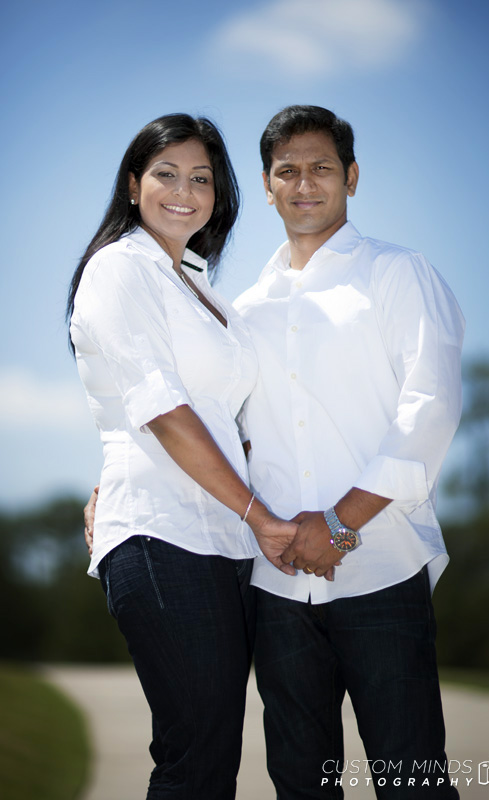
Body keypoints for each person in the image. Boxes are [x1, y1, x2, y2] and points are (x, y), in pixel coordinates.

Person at [232, 105, 464, 799]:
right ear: (267, 185)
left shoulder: (398, 273)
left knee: (410, 781)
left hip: (382, 570)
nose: (305, 183)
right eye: (287, 171)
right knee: (300, 785)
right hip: (275, 587)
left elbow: (430, 409)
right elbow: (220, 436)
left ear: (351, 178)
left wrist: (338, 525)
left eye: (321, 168)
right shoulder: (242, 311)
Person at [67, 113, 301, 800]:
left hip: (224, 540)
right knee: (194, 758)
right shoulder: (118, 268)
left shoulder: (199, 286)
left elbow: (226, 416)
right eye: (165, 173)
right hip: (160, 534)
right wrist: (259, 513)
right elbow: (160, 409)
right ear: (133, 183)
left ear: (219, 195)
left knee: (213, 758)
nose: (183, 190)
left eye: (201, 178)